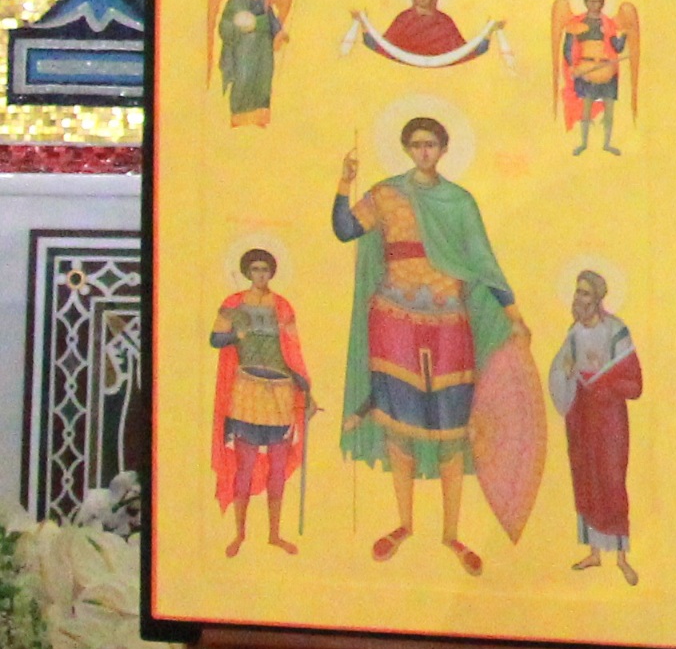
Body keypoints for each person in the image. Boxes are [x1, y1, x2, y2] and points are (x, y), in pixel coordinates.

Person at [335, 114, 529, 574]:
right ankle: (403, 524)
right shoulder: (385, 194)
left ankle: (451, 535)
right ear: (407, 148)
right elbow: (345, 229)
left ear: (443, 150)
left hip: (447, 321)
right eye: (416, 144)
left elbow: (483, 262)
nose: (424, 152)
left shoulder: (459, 202)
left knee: (451, 429)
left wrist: (514, 316)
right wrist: (344, 182)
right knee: (400, 424)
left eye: (432, 144)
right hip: (394, 319)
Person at [210, 247, 311, 556]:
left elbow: (293, 349)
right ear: (247, 272)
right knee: (245, 465)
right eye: (255, 269)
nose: (260, 275)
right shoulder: (233, 304)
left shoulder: (282, 307)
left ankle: (274, 534)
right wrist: (235, 336)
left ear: (272, 273)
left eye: (265, 270)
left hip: (280, 390)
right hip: (246, 390)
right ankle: (239, 534)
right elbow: (215, 339)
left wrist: (306, 388)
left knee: (277, 468)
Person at [548, 268, 643, 579]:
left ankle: (621, 557)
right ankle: (593, 553)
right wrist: (567, 372)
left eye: (585, 293)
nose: (579, 298)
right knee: (586, 478)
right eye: (577, 292)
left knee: (611, 480)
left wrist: (605, 383)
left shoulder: (616, 331)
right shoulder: (573, 333)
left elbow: (634, 383)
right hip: (582, 417)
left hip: (609, 419)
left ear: (598, 298)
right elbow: (561, 370)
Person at [214, 0, 291, 126]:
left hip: (262, 45)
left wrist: (280, 32)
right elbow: (231, 18)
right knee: (244, 75)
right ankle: (239, 116)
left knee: (262, 77)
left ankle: (259, 117)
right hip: (244, 44)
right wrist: (249, 24)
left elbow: (271, 19)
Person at [556, 0, 632, 153]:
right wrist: (573, 67)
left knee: (609, 108)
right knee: (587, 107)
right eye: (590, 1)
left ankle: (607, 143)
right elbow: (568, 48)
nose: (593, 4)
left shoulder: (608, 24)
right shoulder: (577, 23)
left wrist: (624, 35)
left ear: (601, 3)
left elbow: (616, 47)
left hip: (607, 69)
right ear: (586, 3)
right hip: (586, 68)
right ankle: (583, 143)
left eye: (596, 1)